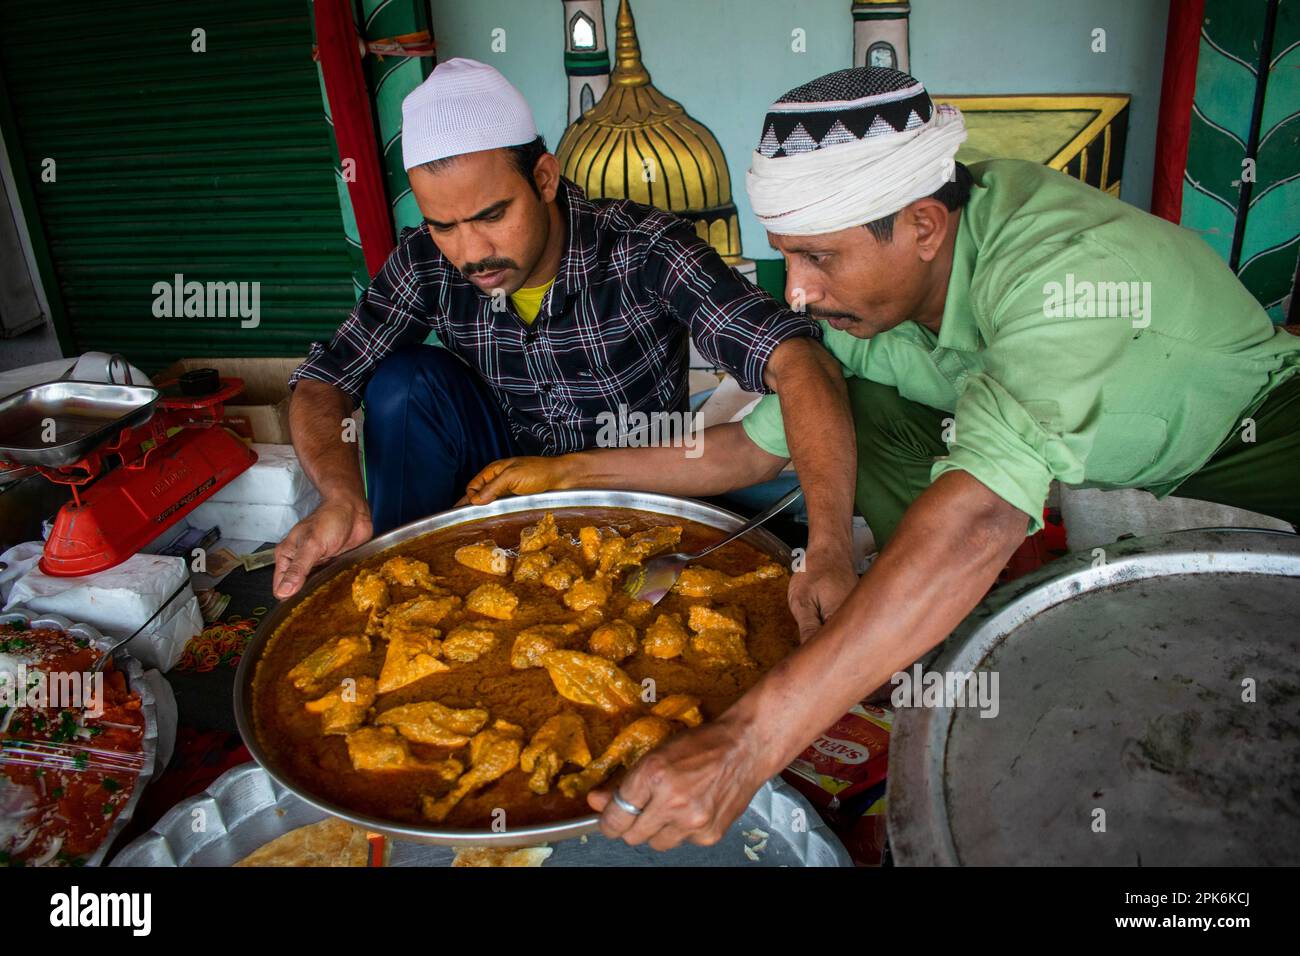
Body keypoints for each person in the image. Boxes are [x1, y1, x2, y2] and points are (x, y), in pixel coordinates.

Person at [463, 67, 1300, 850]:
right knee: (843, 404)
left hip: (1251, 439)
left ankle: (934, 618)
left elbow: (976, 518)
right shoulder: (874, 304)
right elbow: (751, 449)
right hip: (1084, 446)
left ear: (924, 228)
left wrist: (744, 743)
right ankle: (949, 640)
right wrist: (571, 471)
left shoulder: (1065, 278)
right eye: (788, 255)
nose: (794, 293)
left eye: (817, 259)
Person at [273, 58, 859, 634]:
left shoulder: (644, 249)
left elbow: (797, 360)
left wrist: (829, 546)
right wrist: (343, 496)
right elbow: (325, 378)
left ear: (545, 179)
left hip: (632, 479)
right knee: (406, 383)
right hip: (504, 479)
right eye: (443, 226)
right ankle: (403, 594)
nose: (471, 252)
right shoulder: (426, 263)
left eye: (492, 215)